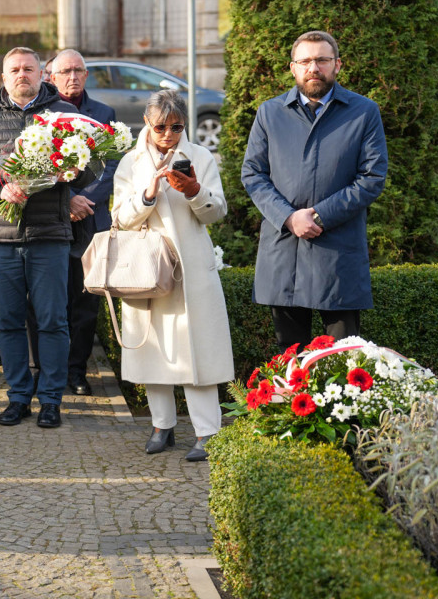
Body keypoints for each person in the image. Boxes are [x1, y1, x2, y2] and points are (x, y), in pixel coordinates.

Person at [0, 47, 95, 430]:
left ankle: (51, 398)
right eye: (14, 69)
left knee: (53, 320)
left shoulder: (65, 118)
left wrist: (72, 171)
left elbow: (89, 171)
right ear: (4, 76)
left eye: (29, 69)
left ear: (42, 75)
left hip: (49, 234)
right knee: (9, 321)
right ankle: (19, 395)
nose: (22, 74)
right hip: (1, 238)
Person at [241, 30, 388, 349]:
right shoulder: (270, 112)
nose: (313, 68)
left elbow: (372, 177)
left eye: (322, 60)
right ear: (293, 68)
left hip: (337, 253)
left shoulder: (363, 112)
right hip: (285, 250)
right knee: (290, 362)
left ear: (337, 65)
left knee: (342, 360)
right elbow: (253, 173)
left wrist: (319, 216)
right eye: (305, 60)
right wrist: (289, 217)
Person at [111, 89, 232, 462]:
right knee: (153, 346)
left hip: (192, 266)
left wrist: (195, 191)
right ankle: (162, 425)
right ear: (147, 122)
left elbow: (217, 212)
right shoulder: (130, 163)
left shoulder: (200, 156)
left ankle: (207, 431)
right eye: (161, 126)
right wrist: (147, 196)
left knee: (199, 348)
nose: (168, 134)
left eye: (176, 126)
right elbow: (118, 218)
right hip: (146, 266)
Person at [47, 49, 118, 397]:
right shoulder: (42, 113)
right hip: (51, 217)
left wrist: (84, 200)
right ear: (52, 77)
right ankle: (48, 371)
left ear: (86, 75)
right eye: (65, 71)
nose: (72, 76)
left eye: (78, 70)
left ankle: (77, 370)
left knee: (85, 301)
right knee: (48, 300)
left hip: (90, 218)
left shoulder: (104, 114)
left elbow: (112, 166)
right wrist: (66, 200)